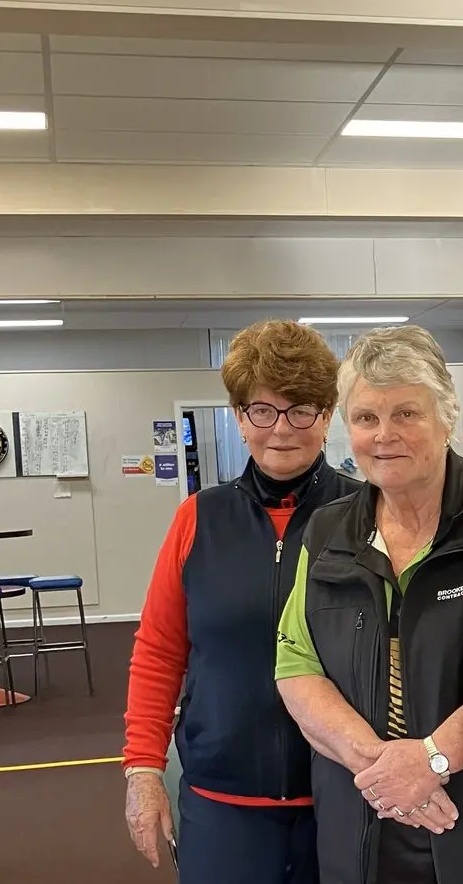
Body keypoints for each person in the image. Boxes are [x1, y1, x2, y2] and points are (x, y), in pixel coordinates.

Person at [276, 325, 463, 884]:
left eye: (407, 414)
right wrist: (388, 774)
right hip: (363, 815)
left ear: (447, 418)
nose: (383, 435)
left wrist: (431, 762)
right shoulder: (326, 531)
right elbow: (296, 666)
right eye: (366, 418)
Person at [122, 320, 360, 884]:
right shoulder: (197, 519)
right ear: (238, 417)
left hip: (342, 795)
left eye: (301, 409)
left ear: (327, 416)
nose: (282, 429)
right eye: (262, 410)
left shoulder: (364, 517)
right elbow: (158, 651)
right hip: (220, 798)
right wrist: (142, 771)